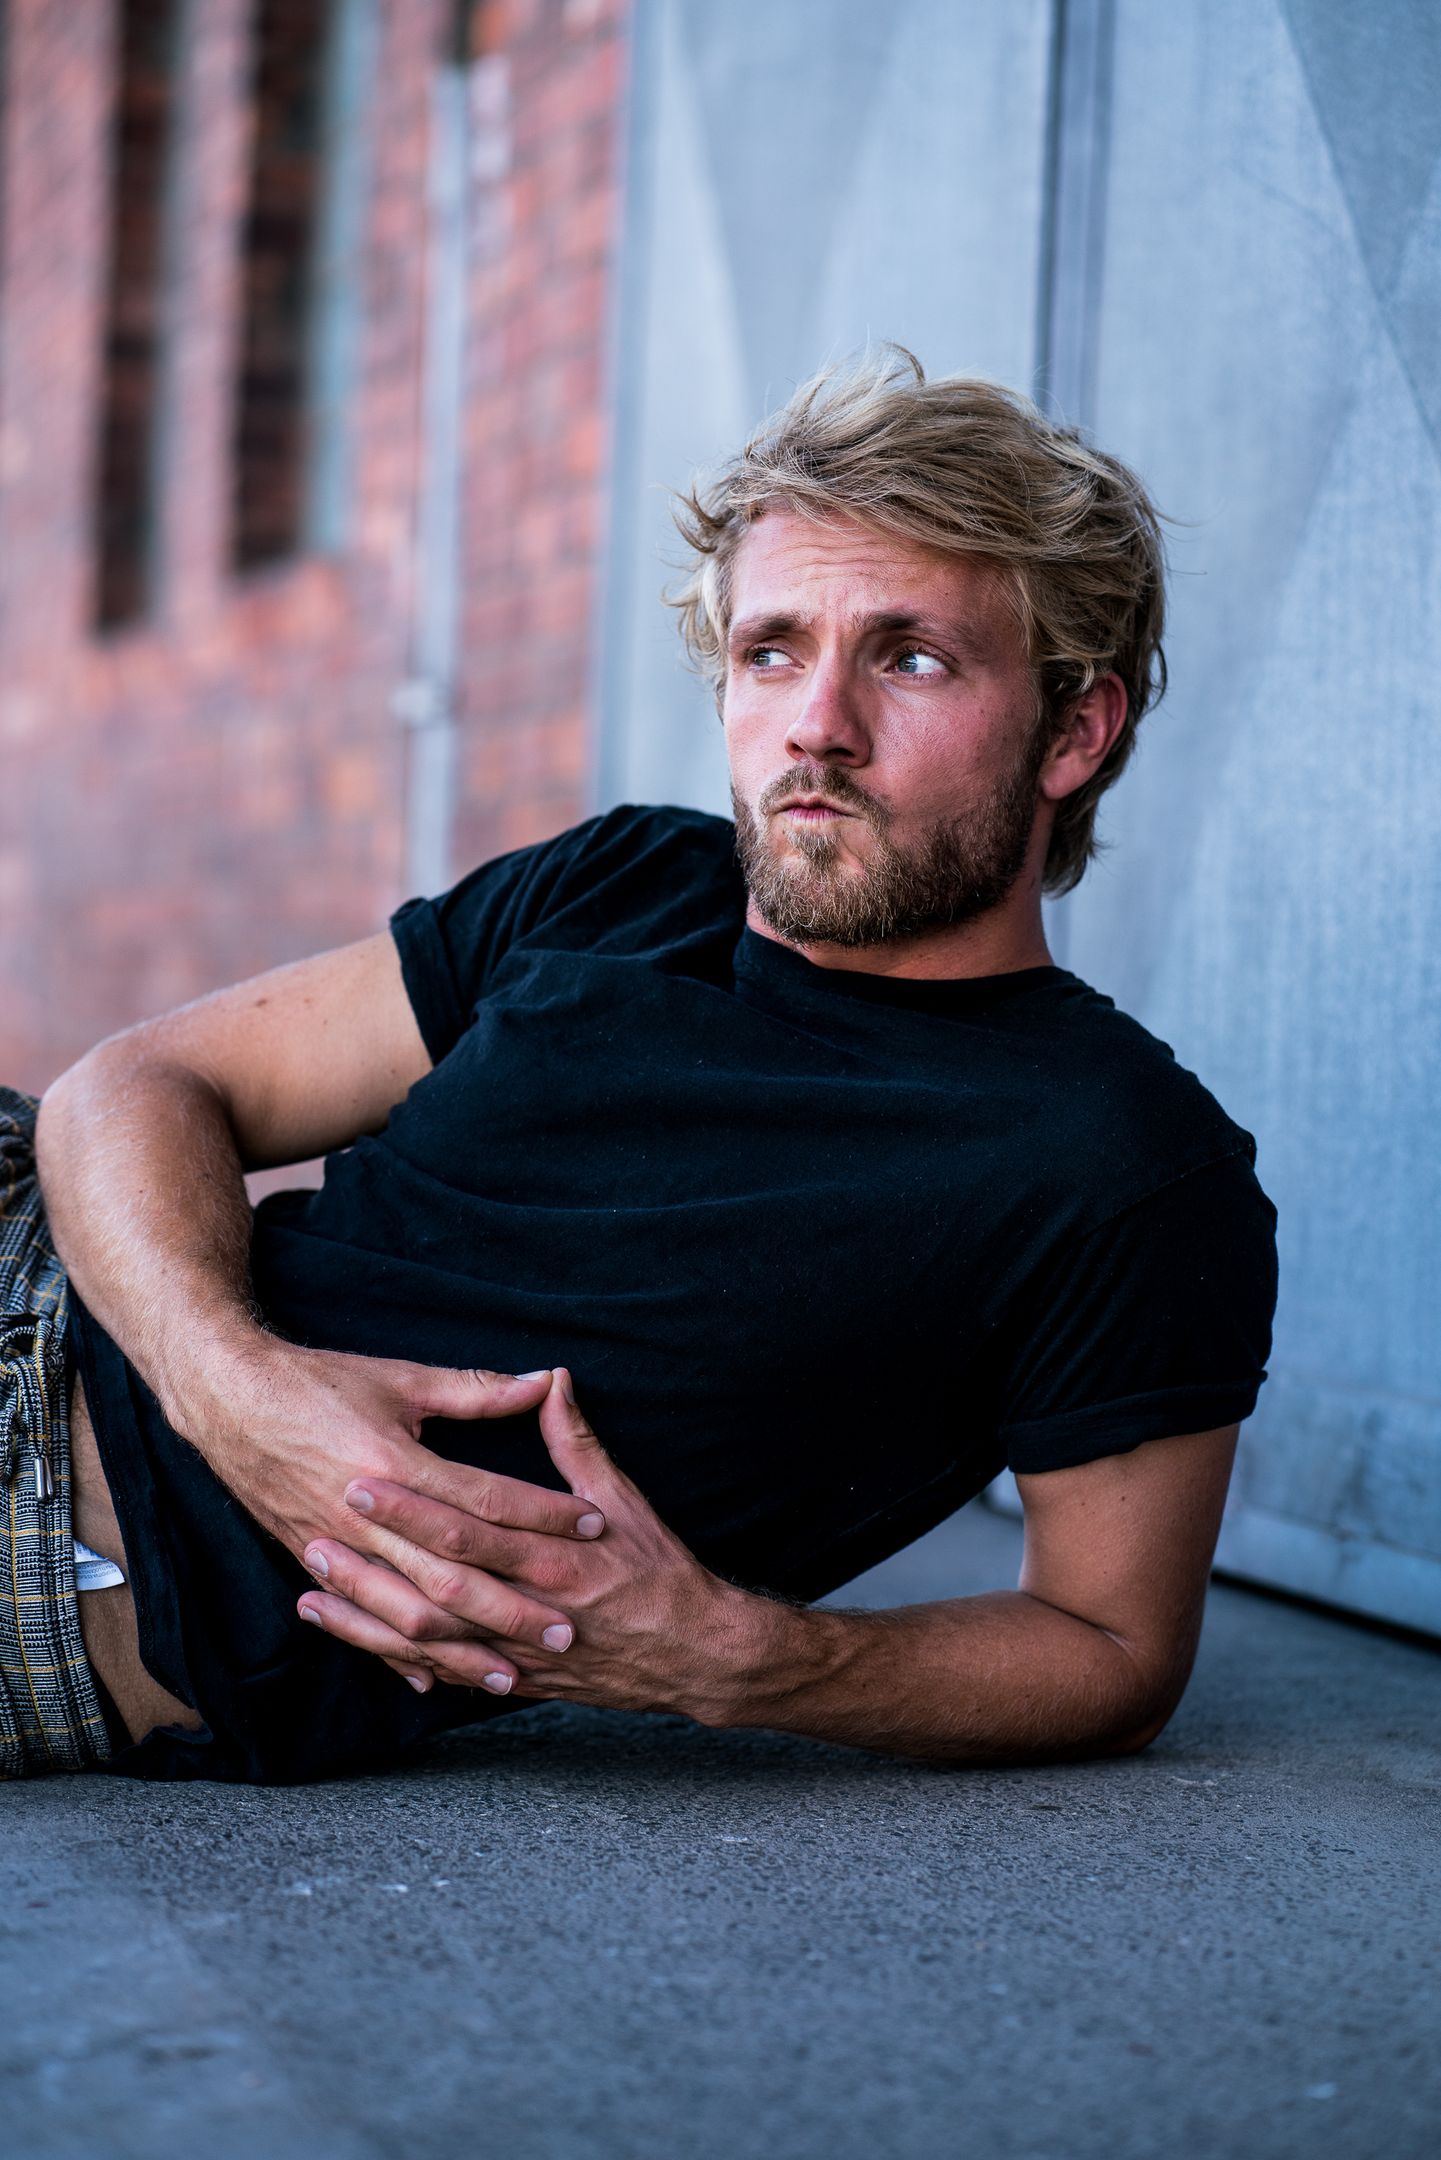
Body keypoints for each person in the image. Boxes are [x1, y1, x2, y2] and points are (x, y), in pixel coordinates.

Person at [6, 349, 1276, 1785]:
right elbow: (132, 1084)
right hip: (47, 1272)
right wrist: (236, 1398)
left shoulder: (1124, 1167)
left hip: (67, 1585)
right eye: (771, 651)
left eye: (910, 657)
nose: (816, 725)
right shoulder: (627, 883)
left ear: (1074, 730)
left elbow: (1112, 1651)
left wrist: (747, 1661)